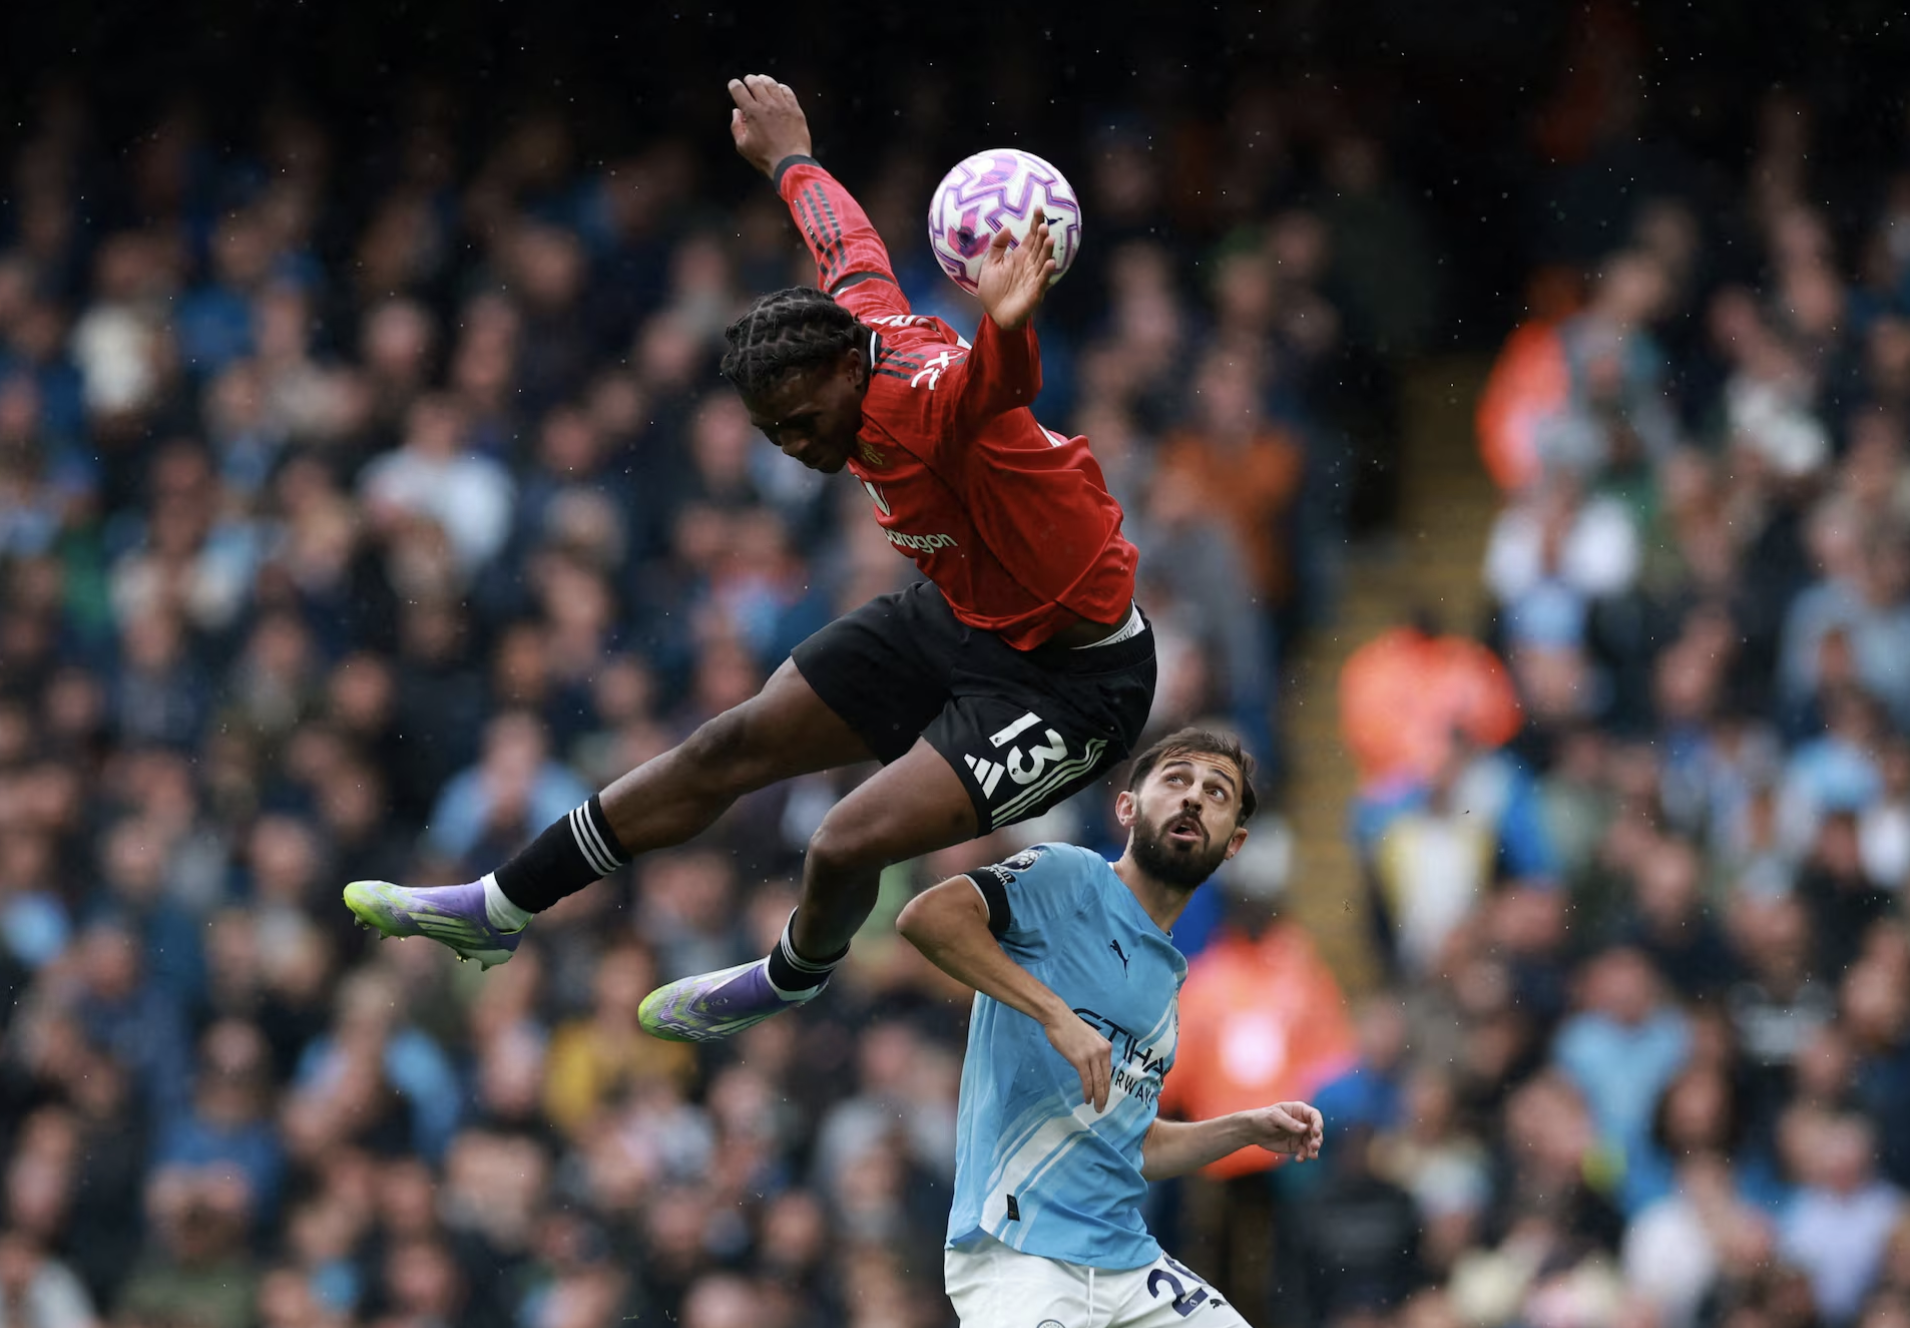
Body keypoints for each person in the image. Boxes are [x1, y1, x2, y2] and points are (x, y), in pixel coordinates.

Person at [342, 75, 1154, 1043]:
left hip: (1074, 680)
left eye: (803, 424)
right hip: (966, 612)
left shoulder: (931, 398)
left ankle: (792, 974)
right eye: (770, 432)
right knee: (724, 745)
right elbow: (844, 244)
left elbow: (991, 386)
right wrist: (790, 156)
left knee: (844, 834)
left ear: (851, 372)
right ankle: (500, 906)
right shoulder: (854, 327)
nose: (797, 448)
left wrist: (1011, 324)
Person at [896, 728, 1324, 1327]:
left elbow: (1130, 1143)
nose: (1195, 799)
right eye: (1176, 780)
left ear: (1235, 843)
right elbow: (928, 916)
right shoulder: (1071, 877)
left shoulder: (1170, 975)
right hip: (1021, 1253)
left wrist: (1244, 1127)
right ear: (1126, 807)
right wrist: (1055, 1014)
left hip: (1125, 1261)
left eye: (1217, 793)